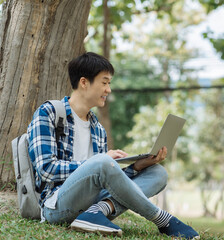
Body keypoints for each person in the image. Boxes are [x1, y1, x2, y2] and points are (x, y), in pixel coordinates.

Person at [27, 52, 199, 239]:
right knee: (101, 161)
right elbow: (46, 169)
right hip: (57, 206)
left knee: (158, 173)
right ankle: (162, 219)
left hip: (91, 203)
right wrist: (97, 162)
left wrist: (137, 167)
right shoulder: (49, 113)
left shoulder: (98, 129)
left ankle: (96, 213)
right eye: (104, 82)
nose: (108, 89)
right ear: (84, 82)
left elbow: (105, 181)